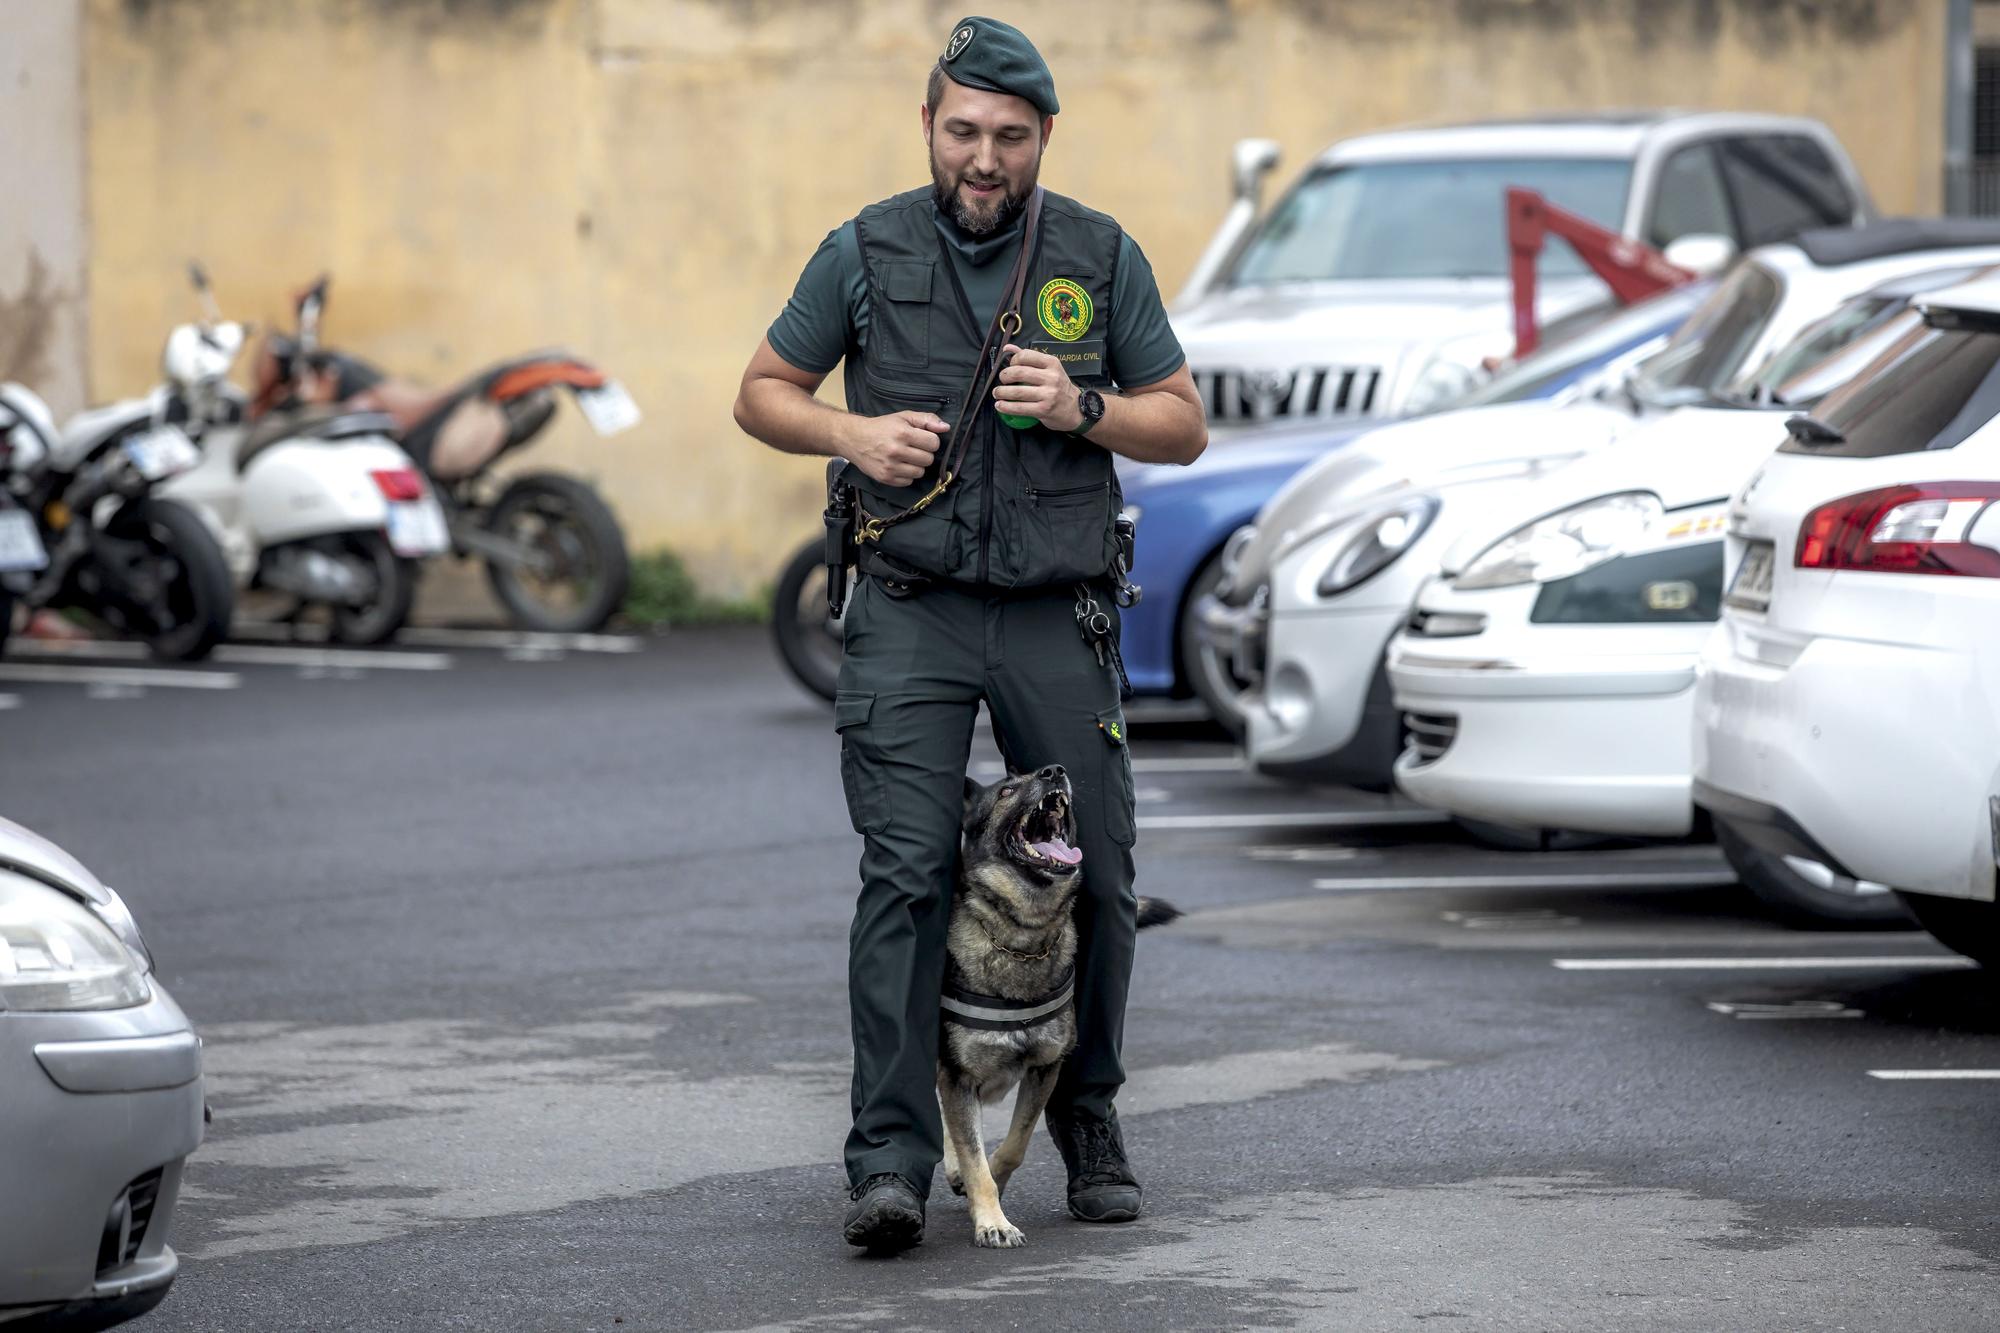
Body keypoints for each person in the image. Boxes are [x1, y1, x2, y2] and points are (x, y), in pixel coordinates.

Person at [732, 14, 1206, 1252]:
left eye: (1007, 135)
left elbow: (1182, 421)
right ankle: (888, 1159)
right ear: (928, 127)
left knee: (1095, 868)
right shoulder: (864, 249)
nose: (981, 158)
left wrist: (1084, 403)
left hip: (1055, 611)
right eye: (961, 132)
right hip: (910, 607)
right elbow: (762, 392)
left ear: (1042, 135)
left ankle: (1086, 1116)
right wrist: (851, 433)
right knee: (904, 875)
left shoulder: (1100, 257)